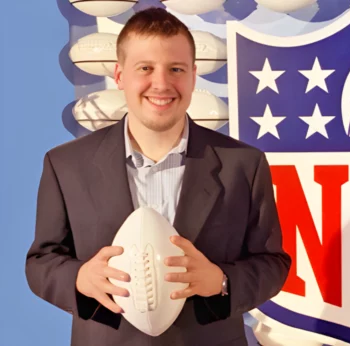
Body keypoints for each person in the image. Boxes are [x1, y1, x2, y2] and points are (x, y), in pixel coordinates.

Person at [25, 7, 291, 346]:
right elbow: (41, 261)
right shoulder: (65, 165)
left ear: (194, 76)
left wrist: (223, 280)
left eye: (176, 69)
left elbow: (272, 262)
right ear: (119, 75)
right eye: (145, 68)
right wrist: (79, 278)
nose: (161, 84)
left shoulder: (244, 164)